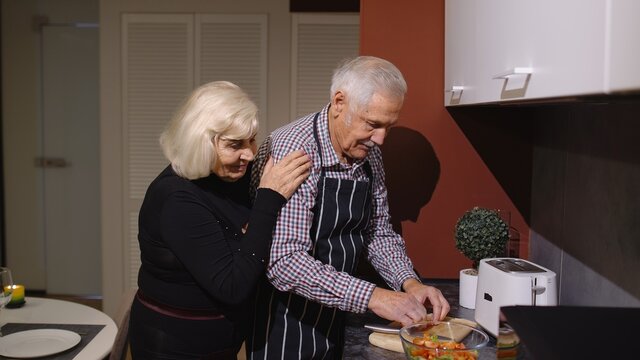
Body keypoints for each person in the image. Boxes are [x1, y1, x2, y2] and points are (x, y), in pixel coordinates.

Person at [247, 56, 450, 359]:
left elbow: (377, 232)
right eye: (373, 124)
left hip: (341, 310)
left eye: (388, 126)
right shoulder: (295, 148)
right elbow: (285, 261)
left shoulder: (368, 153)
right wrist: (373, 296)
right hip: (287, 319)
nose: (381, 139)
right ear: (339, 102)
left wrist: (409, 282)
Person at [128, 81, 311, 359]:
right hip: (174, 346)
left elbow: (245, 249)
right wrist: (268, 200)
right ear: (200, 142)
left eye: (252, 139)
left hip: (219, 343)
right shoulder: (176, 198)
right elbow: (233, 286)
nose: (250, 154)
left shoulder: (229, 177)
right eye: (235, 144)